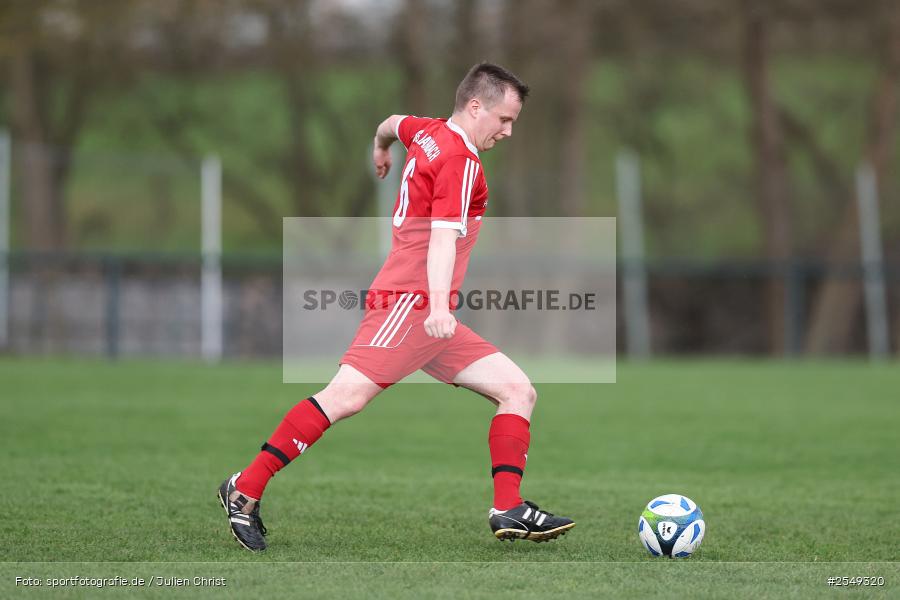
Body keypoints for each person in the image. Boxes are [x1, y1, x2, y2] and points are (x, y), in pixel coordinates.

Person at [218, 62, 575, 551]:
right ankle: (244, 489)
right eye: (504, 119)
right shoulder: (460, 162)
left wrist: (379, 149)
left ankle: (507, 506)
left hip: (428, 314)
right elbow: (442, 242)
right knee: (345, 397)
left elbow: (390, 121)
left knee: (517, 390)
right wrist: (436, 307)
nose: (508, 131)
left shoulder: (427, 131)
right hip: (410, 306)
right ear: (475, 107)